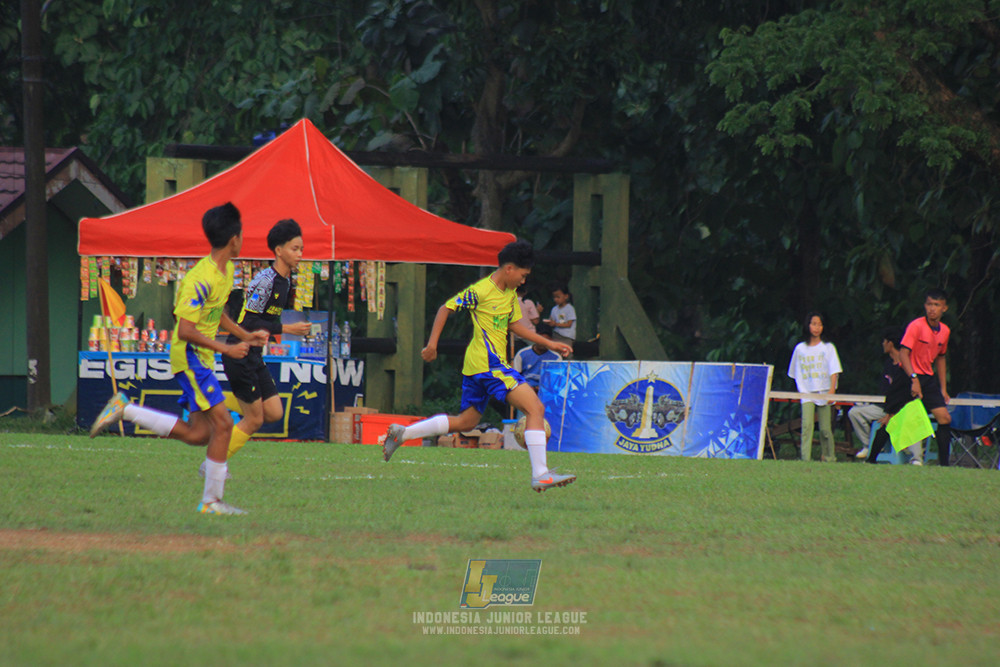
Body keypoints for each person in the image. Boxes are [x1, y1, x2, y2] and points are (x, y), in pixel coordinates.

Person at [89, 202, 268, 515]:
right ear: (234, 239)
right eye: (242, 235)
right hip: (190, 357)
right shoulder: (200, 277)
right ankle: (211, 502)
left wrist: (245, 336)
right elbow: (184, 329)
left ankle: (124, 409)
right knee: (224, 424)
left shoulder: (226, 272)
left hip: (201, 358)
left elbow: (216, 314)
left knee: (200, 434)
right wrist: (226, 349)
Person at [380, 240, 576, 492]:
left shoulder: (510, 294)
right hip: (489, 366)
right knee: (535, 408)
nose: (524, 280)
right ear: (509, 269)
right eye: (523, 275)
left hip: (476, 367)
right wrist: (432, 345)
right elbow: (445, 308)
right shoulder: (481, 291)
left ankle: (402, 434)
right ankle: (540, 474)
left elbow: (515, 326)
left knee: (466, 423)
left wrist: (550, 344)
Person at [218, 219, 312, 467]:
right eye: (295, 249)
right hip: (240, 352)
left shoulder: (286, 281)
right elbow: (249, 322)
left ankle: (214, 400)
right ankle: (214, 463)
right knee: (254, 420)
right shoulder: (265, 281)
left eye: (301, 249)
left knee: (274, 413)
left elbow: (265, 321)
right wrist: (288, 328)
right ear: (278, 250)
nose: (300, 254)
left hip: (255, 356)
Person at [849, 326, 922, 464]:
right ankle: (868, 445)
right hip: (884, 407)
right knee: (854, 412)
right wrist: (887, 411)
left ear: (890, 343)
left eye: (884, 341)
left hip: (901, 408)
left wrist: (891, 413)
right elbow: (885, 391)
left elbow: (906, 393)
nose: (882, 344)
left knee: (908, 419)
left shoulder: (907, 366)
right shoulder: (888, 364)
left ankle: (916, 458)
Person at [898, 288, 952, 466]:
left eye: (936, 305)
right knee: (894, 416)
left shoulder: (945, 331)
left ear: (944, 308)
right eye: (929, 304)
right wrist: (913, 378)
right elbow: (903, 353)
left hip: (928, 377)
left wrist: (943, 388)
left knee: (944, 418)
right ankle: (873, 457)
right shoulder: (916, 326)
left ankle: (944, 464)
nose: (932, 309)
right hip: (908, 375)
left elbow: (941, 358)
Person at [787, 311, 842, 462]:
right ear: (808, 325)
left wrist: (832, 390)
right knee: (807, 426)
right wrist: (801, 389)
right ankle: (805, 458)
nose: (817, 328)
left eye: (819, 324)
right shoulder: (800, 348)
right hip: (806, 392)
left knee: (825, 429)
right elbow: (795, 372)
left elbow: (834, 370)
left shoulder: (828, 347)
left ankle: (829, 457)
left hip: (824, 391)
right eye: (814, 324)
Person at [512, 325, 561, 391]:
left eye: (546, 340)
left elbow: (556, 379)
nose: (542, 343)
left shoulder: (556, 357)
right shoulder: (522, 353)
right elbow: (516, 376)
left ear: (551, 341)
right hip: (526, 388)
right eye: (540, 340)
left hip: (546, 390)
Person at [543, 284, 576, 354]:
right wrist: (550, 323)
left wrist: (555, 324)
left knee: (566, 353)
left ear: (566, 296)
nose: (556, 299)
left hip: (567, 336)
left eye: (558, 297)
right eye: (554, 297)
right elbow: (552, 320)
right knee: (555, 353)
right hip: (556, 335)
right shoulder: (554, 309)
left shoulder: (569, 308)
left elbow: (569, 324)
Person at [512, 284, 540, 349]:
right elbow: (536, 321)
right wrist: (538, 311)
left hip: (515, 335)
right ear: (525, 292)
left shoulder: (510, 302)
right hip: (529, 334)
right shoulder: (528, 302)